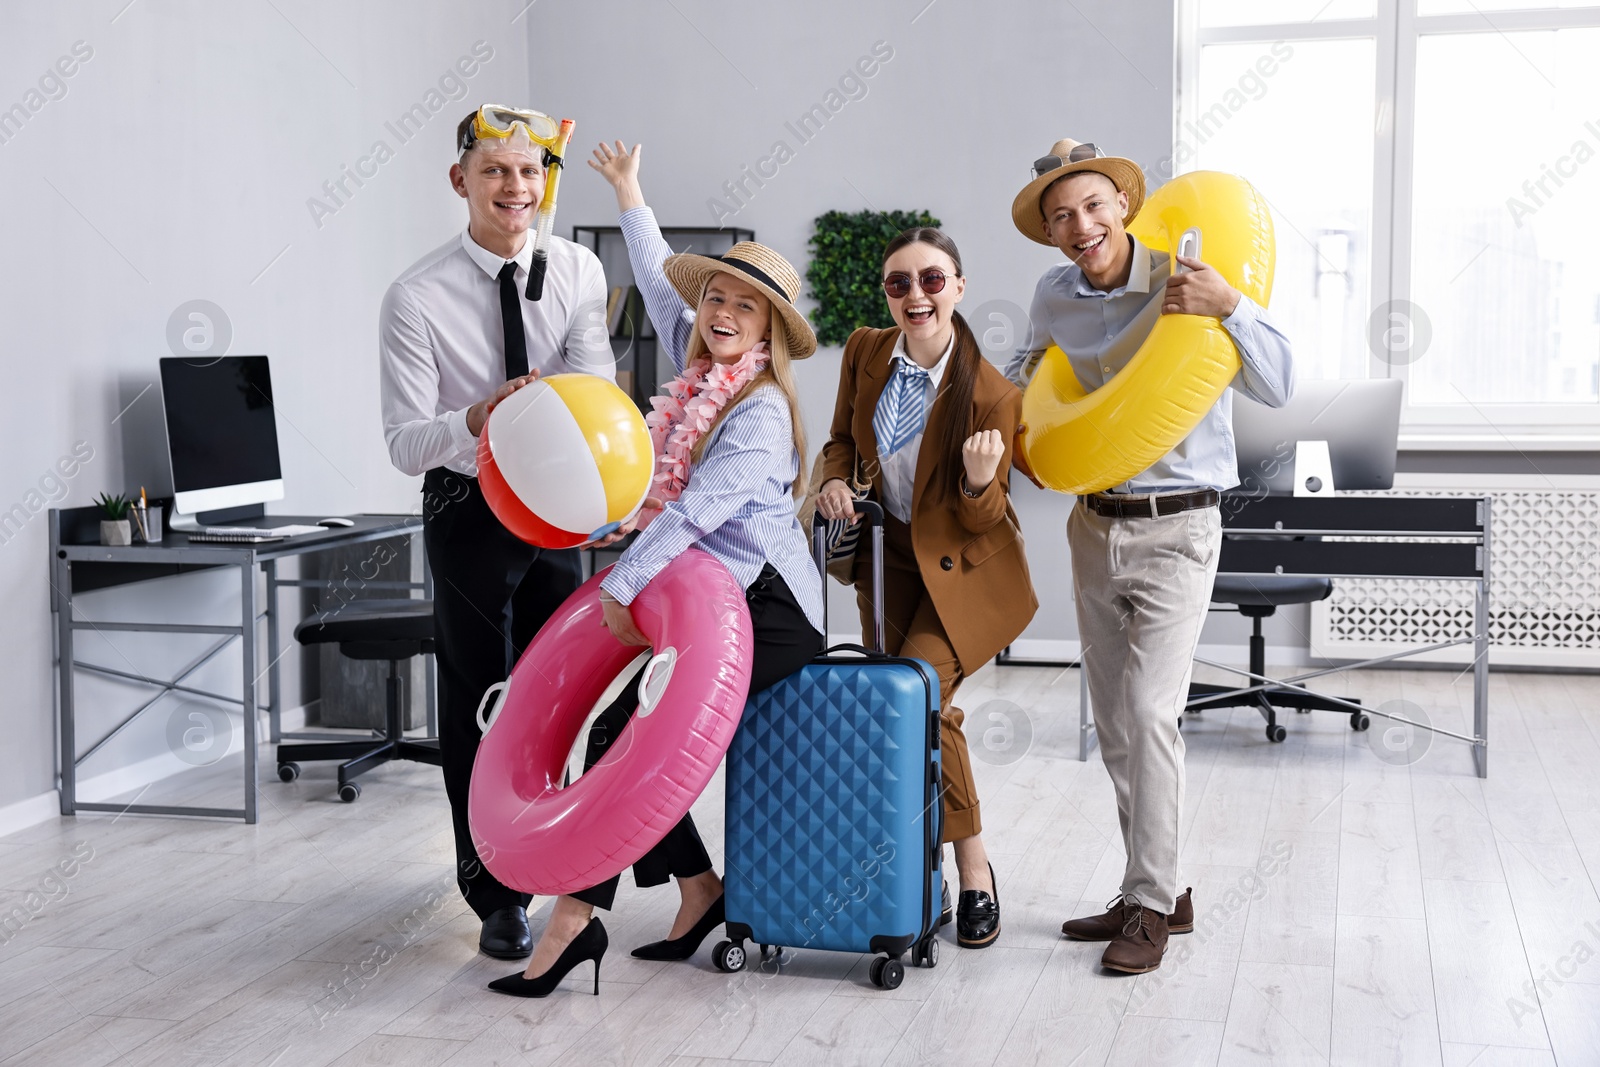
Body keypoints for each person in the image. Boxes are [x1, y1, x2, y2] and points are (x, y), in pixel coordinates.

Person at [486, 140, 825, 998]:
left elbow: (693, 513)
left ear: (767, 332)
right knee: (617, 734)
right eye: (716, 294)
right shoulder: (699, 362)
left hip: (772, 607)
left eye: (745, 306)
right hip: (701, 597)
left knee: (628, 738)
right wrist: (630, 188)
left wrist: (625, 585)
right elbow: (651, 267)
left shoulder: (759, 414)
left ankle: (569, 927)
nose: (722, 311)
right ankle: (698, 892)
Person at [1006, 138, 1293, 974]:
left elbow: (1279, 383)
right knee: (1117, 727)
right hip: (1093, 523)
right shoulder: (1053, 293)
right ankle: (1152, 888)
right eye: (1061, 216)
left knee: (1151, 712)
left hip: (1179, 525)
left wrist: (1231, 306)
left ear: (1124, 204)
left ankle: (1154, 907)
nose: (1079, 225)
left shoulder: (1188, 275)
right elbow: (1032, 377)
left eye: (1093, 206)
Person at [378, 105, 613, 961]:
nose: (516, 187)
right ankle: (493, 891)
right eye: (495, 171)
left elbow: (597, 391)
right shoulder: (415, 296)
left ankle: (549, 852)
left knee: (559, 684)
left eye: (529, 171)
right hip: (466, 500)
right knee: (479, 692)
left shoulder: (581, 270)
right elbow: (407, 443)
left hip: (559, 498)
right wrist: (480, 416)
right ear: (461, 181)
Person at [813, 227, 1037, 949]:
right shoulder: (865, 351)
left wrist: (978, 482)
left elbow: (984, 519)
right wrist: (835, 479)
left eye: (932, 280)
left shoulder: (992, 395)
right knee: (895, 708)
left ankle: (973, 871)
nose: (916, 295)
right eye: (900, 283)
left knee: (920, 696)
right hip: (890, 559)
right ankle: (918, 874)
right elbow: (842, 439)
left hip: (967, 576)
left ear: (959, 287)